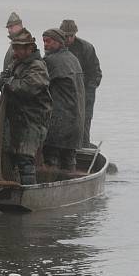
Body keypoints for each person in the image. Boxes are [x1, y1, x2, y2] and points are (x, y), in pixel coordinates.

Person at [0, 29, 51, 185]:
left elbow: (28, 88)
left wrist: (9, 82)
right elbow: (6, 75)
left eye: (19, 48)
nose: (16, 51)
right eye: (15, 47)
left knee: (25, 158)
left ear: (29, 49)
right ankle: (12, 189)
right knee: (11, 157)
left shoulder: (37, 66)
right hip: (16, 120)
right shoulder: (17, 63)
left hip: (33, 121)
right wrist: (2, 78)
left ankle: (29, 195)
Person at [42, 28, 86, 171]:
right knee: (69, 158)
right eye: (44, 41)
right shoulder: (74, 59)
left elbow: (37, 85)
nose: (45, 45)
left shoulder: (50, 60)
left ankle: (50, 185)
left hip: (58, 123)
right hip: (77, 121)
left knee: (51, 158)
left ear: (59, 42)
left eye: (48, 41)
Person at [60, 19, 102, 147]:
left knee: (84, 120)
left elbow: (95, 73)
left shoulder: (86, 48)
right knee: (63, 121)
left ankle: (83, 146)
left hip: (85, 90)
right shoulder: (56, 47)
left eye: (70, 36)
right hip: (64, 91)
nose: (68, 39)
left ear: (75, 34)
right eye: (65, 36)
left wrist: (88, 90)